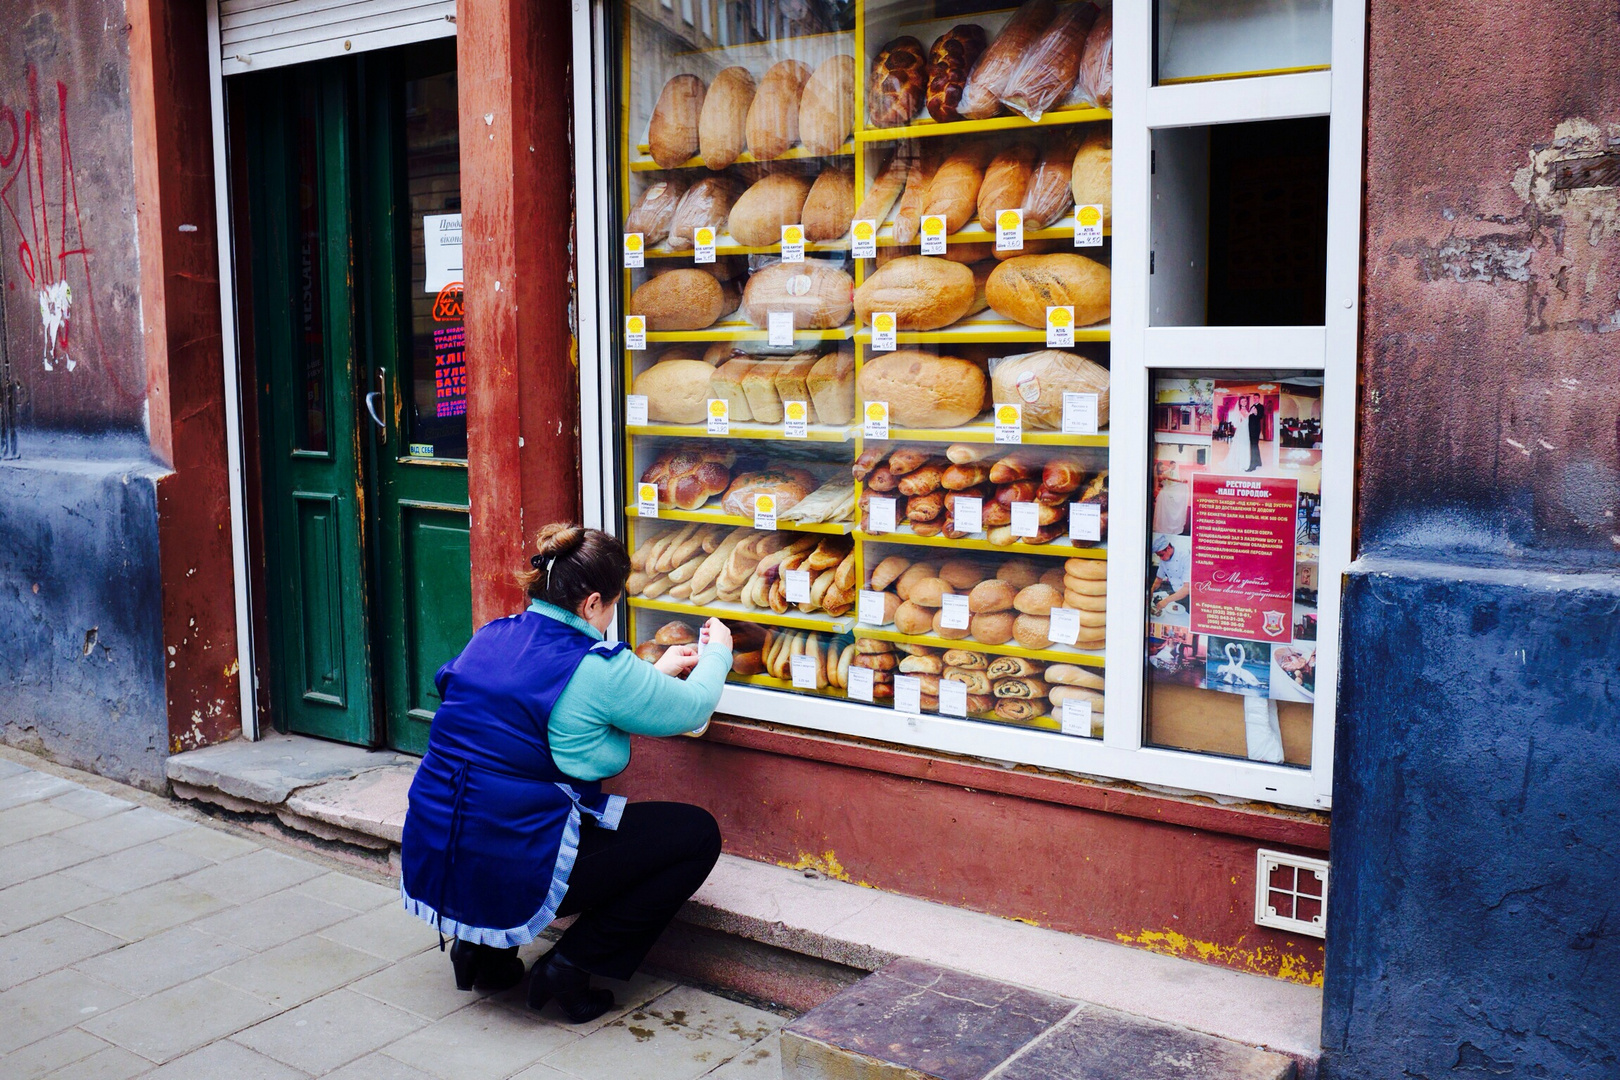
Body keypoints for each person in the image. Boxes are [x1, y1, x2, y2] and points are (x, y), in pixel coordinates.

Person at [400, 523, 733, 1023]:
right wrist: (719, 653)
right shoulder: (598, 666)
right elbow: (692, 707)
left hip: (439, 844)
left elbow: (547, 705)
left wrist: (650, 674)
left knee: (495, 797)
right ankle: (573, 966)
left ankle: (482, 952)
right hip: (515, 855)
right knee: (695, 835)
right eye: (615, 603)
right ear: (592, 603)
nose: (612, 614)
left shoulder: (493, 635)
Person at [1149, 533, 1192, 616]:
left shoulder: (1185, 557)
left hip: (1189, 597)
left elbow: (1187, 588)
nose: (1160, 558)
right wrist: (1152, 589)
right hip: (1175, 595)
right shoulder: (1164, 560)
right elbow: (1159, 578)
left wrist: (1166, 601)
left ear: (1168, 548)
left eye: (1161, 555)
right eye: (1158, 556)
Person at [1246, 402, 1266, 472]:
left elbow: (1261, 416)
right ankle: (1258, 462)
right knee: (1254, 446)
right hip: (1250, 430)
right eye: (1254, 398)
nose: (1255, 399)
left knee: (1254, 446)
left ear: (1258, 398)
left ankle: (1253, 465)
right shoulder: (1252, 406)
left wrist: (1256, 413)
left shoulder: (1261, 407)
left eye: (1256, 398)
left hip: (1255, 430)